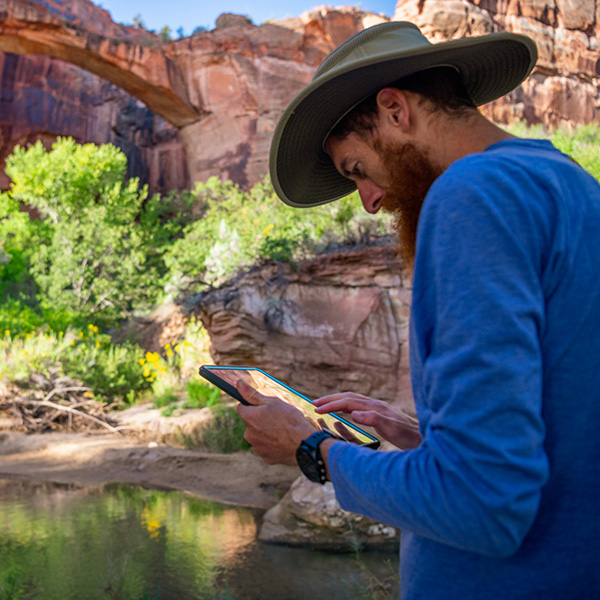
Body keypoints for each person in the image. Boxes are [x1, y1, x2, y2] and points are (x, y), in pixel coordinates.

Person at [236, 21, 600, 599]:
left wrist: (313, 450)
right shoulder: (572, 187)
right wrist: (414, 433)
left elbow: (480, 504)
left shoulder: (471, 196)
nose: (371, 201)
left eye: (356, 169)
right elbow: (564, 428)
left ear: (396, 110)